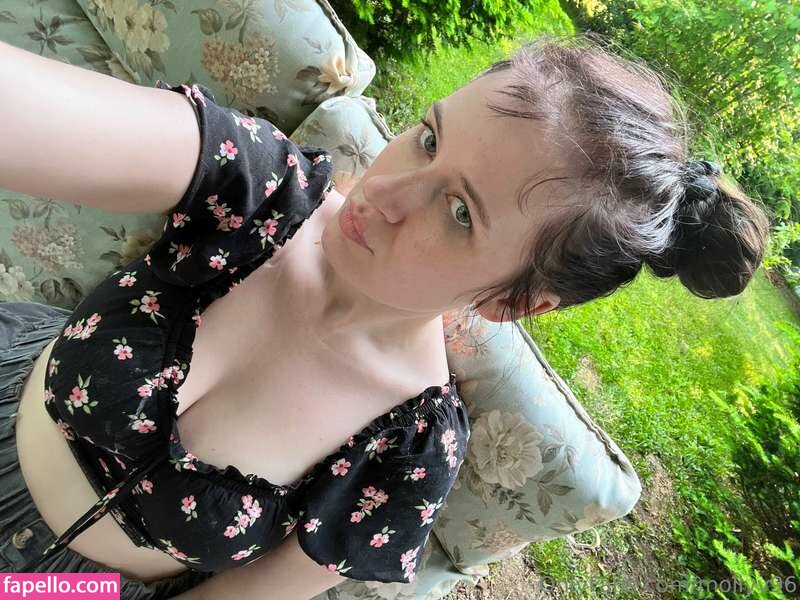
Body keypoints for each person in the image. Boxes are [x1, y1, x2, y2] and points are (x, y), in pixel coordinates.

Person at [0, 31, 770, 599]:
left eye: (460, 213)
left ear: (512, 301)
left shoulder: (406, 451)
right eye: (428, 138)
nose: (383, 193)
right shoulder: (254, 187)